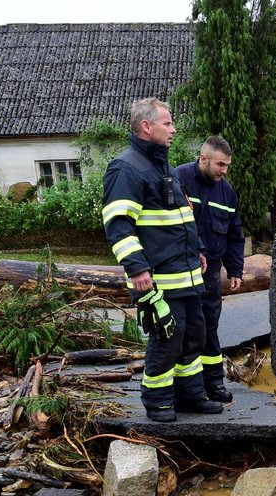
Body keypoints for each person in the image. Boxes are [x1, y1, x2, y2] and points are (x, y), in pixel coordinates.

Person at [101, 98, 223, 422]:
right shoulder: (126, 168)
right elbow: (118, 224)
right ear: (146, 126)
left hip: (185, 275)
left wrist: (196, 249)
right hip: (156, 279)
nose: (173, 129)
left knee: (193, 335)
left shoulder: (163, 167)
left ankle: (191, 396)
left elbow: (182, 217)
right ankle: (157, 401)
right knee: (167, 338)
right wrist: (137, 268)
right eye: (167, 123)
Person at [174, 135, 244, 403]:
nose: (224, 171)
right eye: (220, 165)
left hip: (211, 269)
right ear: (203, 158)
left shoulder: (227, 192)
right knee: (185, 327)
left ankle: (213, 383)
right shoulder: (178, 180)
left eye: (227, 166)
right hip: (180, 266)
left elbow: (235, 234)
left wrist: (235, 269)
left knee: (209, 325)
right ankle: (186, 387)